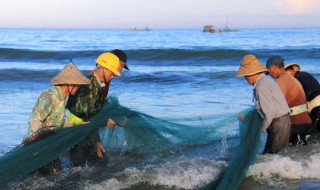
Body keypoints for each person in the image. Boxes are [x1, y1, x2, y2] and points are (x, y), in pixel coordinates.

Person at [66, 50, 129, 167]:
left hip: (86, 130)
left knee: (98, 163)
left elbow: (93, 113)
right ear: (103, 68)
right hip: (77, 131)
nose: (113, 77)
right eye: (113, 73)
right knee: (77, 169)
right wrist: (102, 128)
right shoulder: (89, 87)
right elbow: (87, 117)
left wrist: (97, 140)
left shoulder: (99, 83)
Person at [26, 62, 90, 174]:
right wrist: (37, 140)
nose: (79, 88)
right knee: (50, 174)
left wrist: (77, 125)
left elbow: (58, 123)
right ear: (69, 83)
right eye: (77, 85)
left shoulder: (63, 98)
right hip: (37, 145)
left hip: (49, 144)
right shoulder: (51, 96)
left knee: (56, 173)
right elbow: (34, 119)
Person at [237, 54, 291, 154]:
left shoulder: (261, 85)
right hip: (279, 121)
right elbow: (265, 108)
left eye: (246, 76)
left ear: (252, 74)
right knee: (271, 155)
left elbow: (270, 111)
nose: (245, 78)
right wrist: (248, 118)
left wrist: (260, 129)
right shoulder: (264, 81)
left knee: (275, 156)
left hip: (278, 123)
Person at [266, 56, 313, 146]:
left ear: (274, 68)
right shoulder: (293, 79)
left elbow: (274, 105)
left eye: (269, 72)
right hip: (306, 122)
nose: (270, 75)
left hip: (297, 124)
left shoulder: (280, 81)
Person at [284, 62, 320, 132]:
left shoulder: (298, 77)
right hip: (316, 101)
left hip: (315, 103)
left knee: (313, 129)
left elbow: (306, 93)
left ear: (291, 71)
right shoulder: (304, 75)